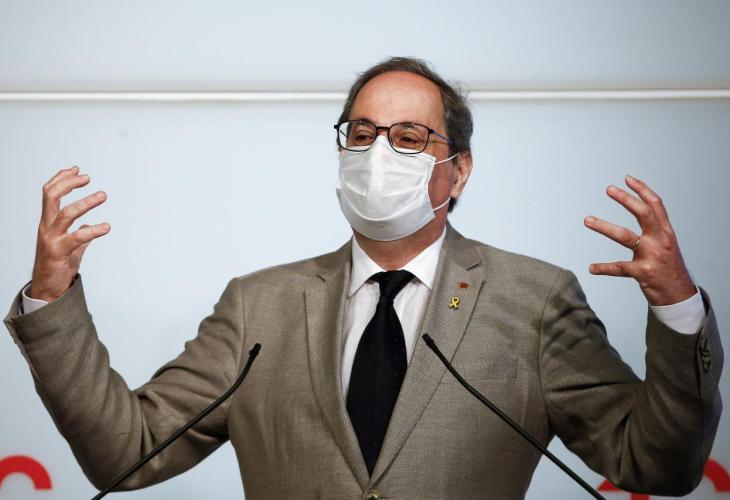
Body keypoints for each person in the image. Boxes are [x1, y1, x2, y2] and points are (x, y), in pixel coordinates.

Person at [4, 57, 722, 499]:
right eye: (361, 134)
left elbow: (656, 465)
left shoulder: (534, 300)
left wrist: (677, 310)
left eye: (409, 138)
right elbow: (125, 452)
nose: (379, 154)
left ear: (458, 171)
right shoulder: (259, 305)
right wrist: (51, 299)